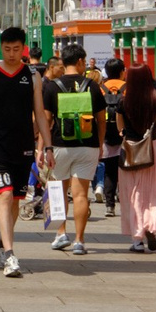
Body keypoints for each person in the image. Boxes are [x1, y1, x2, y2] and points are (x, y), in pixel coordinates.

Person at [0, 28, 50, 278]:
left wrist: (47, 146)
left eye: (16, 49)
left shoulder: (32, 76)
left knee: (15, 200)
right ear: (0, 48)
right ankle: (11, 255)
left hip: (23, 146)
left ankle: (2, 245)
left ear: (23, 48)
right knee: (4, 195)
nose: (11, 54)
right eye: (7, 49)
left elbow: (40, 114)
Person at [45, 43, 104, 257]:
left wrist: (44, 148)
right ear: (80, 62)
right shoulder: (92, 86)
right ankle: (79, 240)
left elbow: (47, 120)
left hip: (60, 145)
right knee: (80, 195)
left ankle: (61, 233)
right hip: (88, 145)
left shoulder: (52, 86)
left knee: (59, 191)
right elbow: (101, 119)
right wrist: (99, 144)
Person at [115, 64, 156, 252]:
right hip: (151, 149)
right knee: (152, 191)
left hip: (131, 150)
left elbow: (120, 128)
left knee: (132, 194)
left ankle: (137, 239)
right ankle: (150, 225)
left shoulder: (123, 102)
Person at [98, 58, 126, 216]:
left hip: (106, 134)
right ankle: (124, 200)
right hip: (124, 135)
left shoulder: (101, 88)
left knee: (109, 171)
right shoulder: (127, 88)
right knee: (124, 170)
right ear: (122, 72)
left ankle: (110, 206)